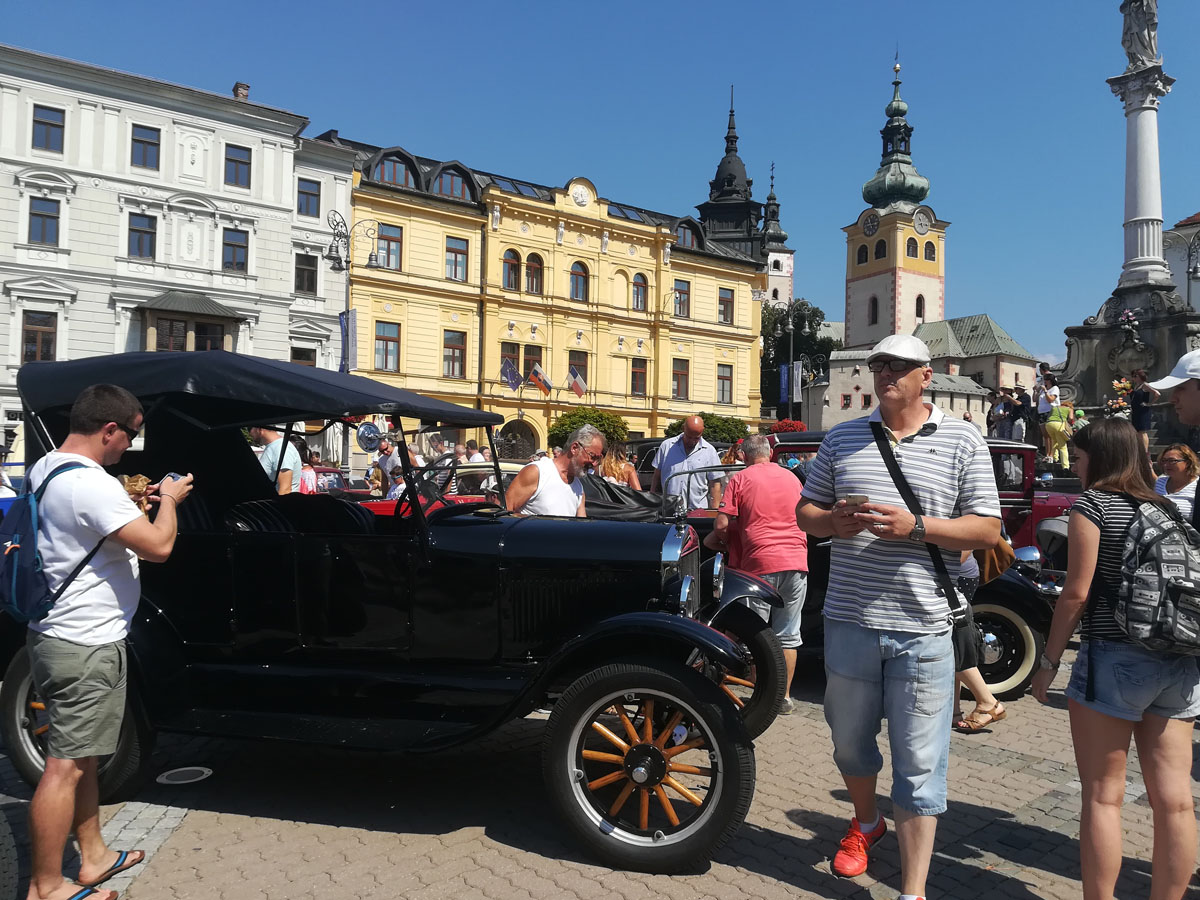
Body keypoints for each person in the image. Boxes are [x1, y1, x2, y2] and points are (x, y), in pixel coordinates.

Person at [795, 334, 1001, 896]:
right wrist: (830, 522)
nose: (886, 372)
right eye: (879, 364)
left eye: (899, 365)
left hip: (924, 629)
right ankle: (867, 823)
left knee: (920, 765)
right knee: (849, 745)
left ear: (926, 375)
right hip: (850, 620)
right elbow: (805, 510)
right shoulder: (843, 437)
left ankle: (913, 891)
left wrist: (917, 527)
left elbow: (987, 529)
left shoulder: (963, 438)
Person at [24, 384, 193, 900]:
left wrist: (132, 501)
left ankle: (93, 856)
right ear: (109, 429)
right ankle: (45, 886)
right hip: (85, 646)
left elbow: (86, 530)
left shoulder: (48, 468)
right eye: (130, 435)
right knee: (64, 768)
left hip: (60, 635)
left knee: (86, 758)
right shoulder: (92, 486)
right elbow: (159, 546)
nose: (131, 447)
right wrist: (169, 501)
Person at [1031, 418, 1198, 900]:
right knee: (1176, 802)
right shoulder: (1166, 507)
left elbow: (1076, 593)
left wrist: (1049, 663)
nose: (1076, 467)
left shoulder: (1094, 505)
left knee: (1104, 796)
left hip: (1115, 655)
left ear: (1099, 458)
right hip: (1178, 656)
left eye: (1080, 458)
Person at [705, 435, 807, 715]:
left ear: (743, 456)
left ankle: (761, 694)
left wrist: (728, 541)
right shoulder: (791, 478)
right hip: (797, 560)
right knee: (789, 633)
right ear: (770, 453)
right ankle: (784, 697)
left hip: (760, 561)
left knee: (756, 633)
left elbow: (721, 525)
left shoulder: (740, 478)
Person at [951, 551, 1007, 732]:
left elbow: (964, 546)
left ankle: (987, 702)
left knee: (951, 643)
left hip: (953, 573)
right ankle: (953, 711)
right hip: (958, 572)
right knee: (953, 641)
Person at [505, 425, 605, 517]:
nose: (594, 464)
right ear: (574, 448)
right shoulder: (537, 472)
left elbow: (582, 526)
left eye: (597, 459)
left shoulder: (578, 488)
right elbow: (506, 513)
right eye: (592, 456)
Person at [650, 416, 723, 511]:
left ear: (702, 431)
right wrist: (653, 502)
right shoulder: (667, 446)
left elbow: (715, 483)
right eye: (689, 437)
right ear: (683, 428)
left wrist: (715, 511)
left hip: (698, 510)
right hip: (669, 509)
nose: (692, 441)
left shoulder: (709, 451)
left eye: (696, 438)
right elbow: (657, 476)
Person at [250, 425, 302, 494]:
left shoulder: (280, 448)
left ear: (259, 429)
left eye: (249, 428)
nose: (249, 433)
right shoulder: (273, 447)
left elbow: (285, 489)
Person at [1154, 443, 1199, 520]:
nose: (1166, 465)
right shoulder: (1160, 481)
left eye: (1172, 461)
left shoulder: (1197, 486)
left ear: (1188, 463)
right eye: (1164, 461)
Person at [1128, 369, 1160, 456]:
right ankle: (1140, 449)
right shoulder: (1136, 386)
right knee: (1137, 431)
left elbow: (1157, 394)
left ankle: (1145, 451)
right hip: (1136, 410)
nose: (1134, 378)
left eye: (1135, 376)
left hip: (1143, 410)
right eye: (1133, 376)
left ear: (1140, 376)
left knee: (1142, 431)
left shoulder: (1145, 385)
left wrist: (1149, 403)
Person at [1045, 399, 1076, 471]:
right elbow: (1071, 418)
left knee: (1054, 441)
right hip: (1058, 425)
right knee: (1062, 446)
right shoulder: (1069, 409)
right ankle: (1065, 466)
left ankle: (1055, 458)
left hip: (1049, 424)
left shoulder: (1055, 408)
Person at [1036, 373, 1061, 461]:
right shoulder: (1043, 390)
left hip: (1050, 411)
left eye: (1045, 380)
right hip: (1041, 412)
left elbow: (1050, 399)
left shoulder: (1055, 388)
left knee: (1050, 434)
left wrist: (1046, 391)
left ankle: (1051, 454)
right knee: (1045, 435)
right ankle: (1047, 454)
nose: (1044, 381)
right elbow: (1035, 399)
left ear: (1050, 381)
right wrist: (1036, 391)